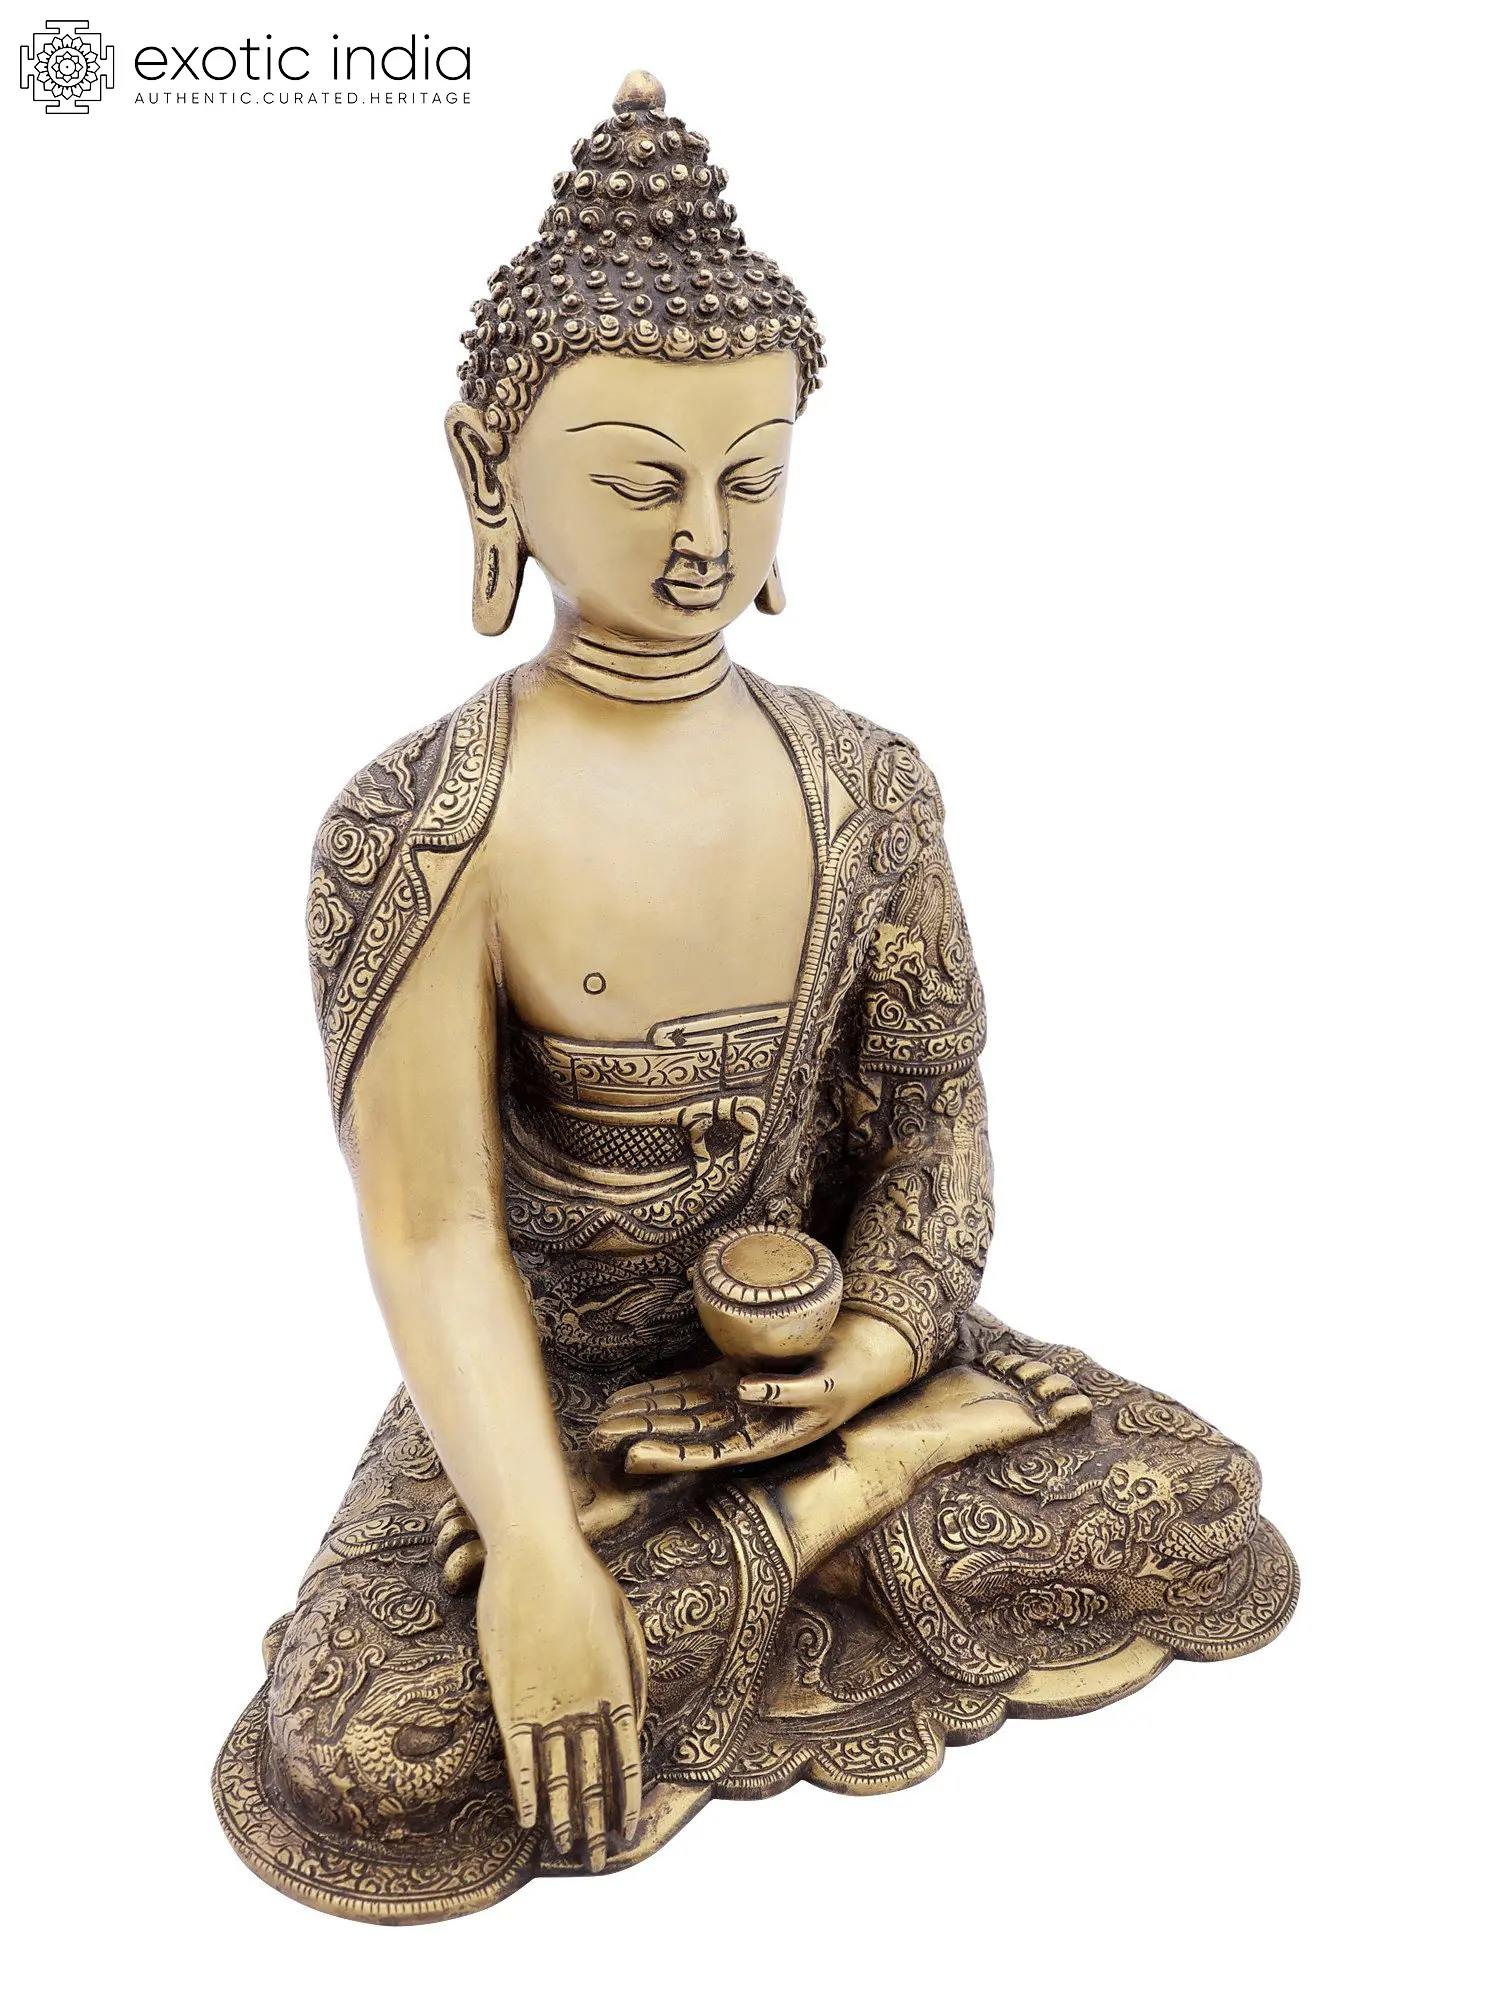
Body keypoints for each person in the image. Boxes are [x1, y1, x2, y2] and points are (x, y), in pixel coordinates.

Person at [213, 72, 1296, 1925]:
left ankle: (815, 1504)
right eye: (643, 479)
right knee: (374, 1743)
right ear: (489, 470)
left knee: (1190, 1494)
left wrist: (875, 1358)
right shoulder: (421, 827)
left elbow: (933, 1125)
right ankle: (838, 1519)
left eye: (752, 471)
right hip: (544, 1397)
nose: (704, 531)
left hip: (835, 1361)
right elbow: (435, 1230)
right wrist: (534, 1544)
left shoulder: (871, 784)